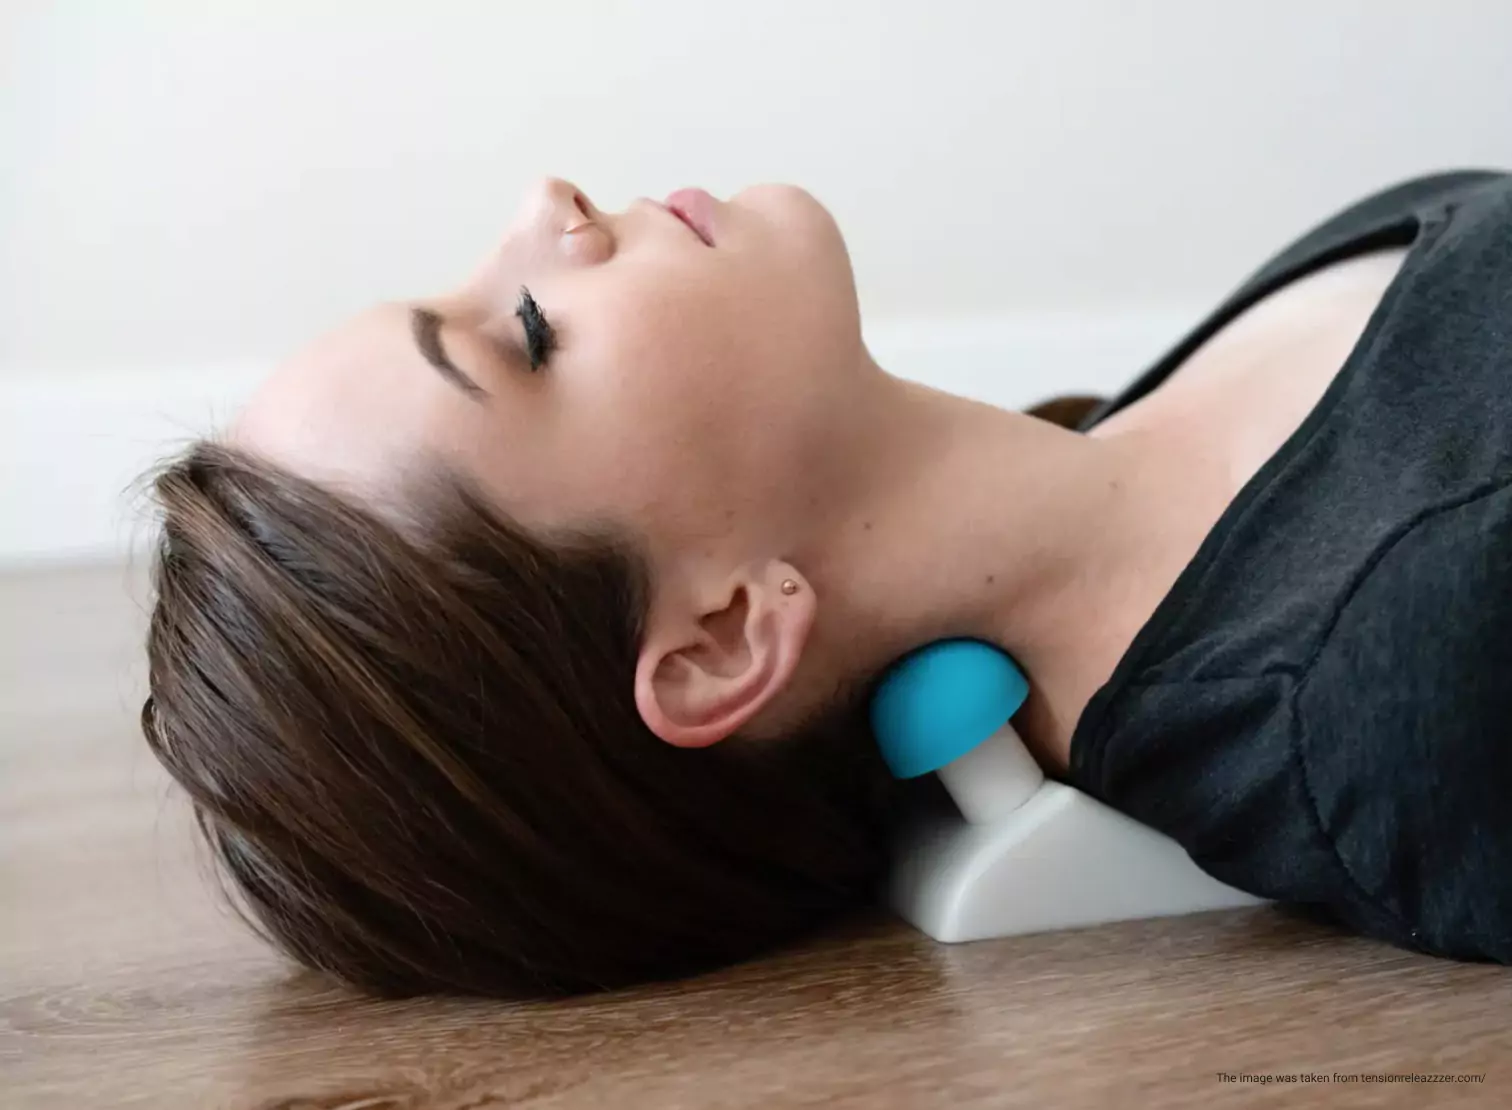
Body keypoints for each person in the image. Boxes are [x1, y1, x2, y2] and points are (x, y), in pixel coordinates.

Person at [141, 171, 1512, 998]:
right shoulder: (1409, 658)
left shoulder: (1166, 427)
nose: (541, 208)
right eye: (527, 335)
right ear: (723, 635)